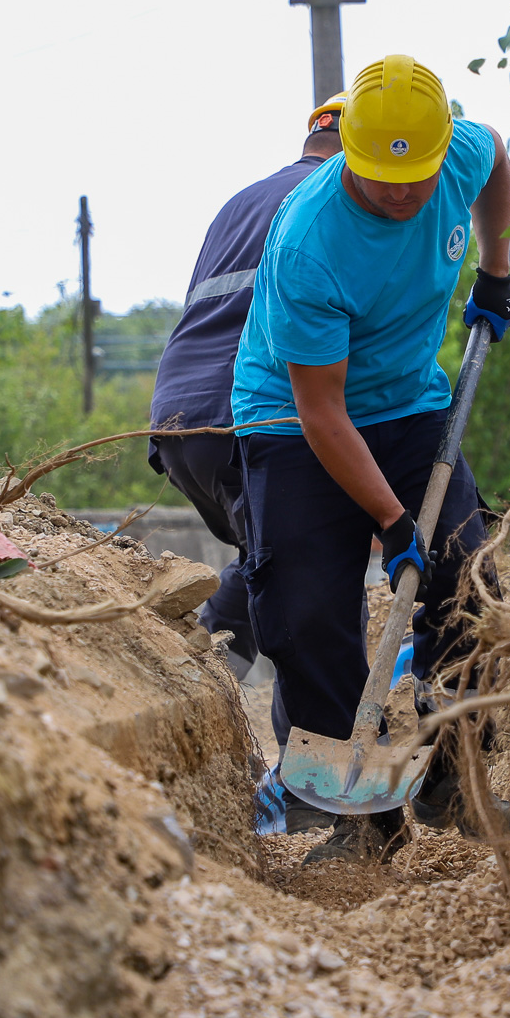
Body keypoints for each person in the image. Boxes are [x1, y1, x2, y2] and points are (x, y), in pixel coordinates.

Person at [231, 54, 510, 864]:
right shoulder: (309, 240)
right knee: (303, 608)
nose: (401, 192)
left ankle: (453, 773)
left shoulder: (459, 152)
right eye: (379, 176)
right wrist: (393, 520)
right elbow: (322, 413)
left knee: (468, 578)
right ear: (349, 153)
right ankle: (363, 824)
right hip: (294, 422)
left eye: (417, 176)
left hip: (408, 402)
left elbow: (497, 154)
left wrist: (494, 270)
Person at [149, 93, 347, 678]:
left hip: (176, 415)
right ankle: (295, 726)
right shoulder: (333, 200)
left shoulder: (240, 200)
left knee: (268, 553)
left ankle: (207, 687)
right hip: (243, 411)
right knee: (303, 556)